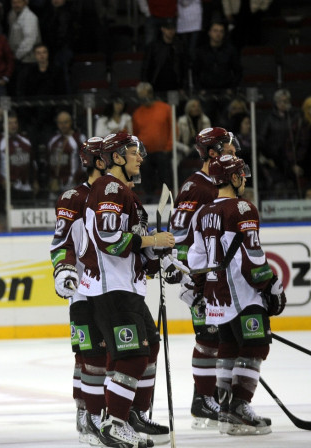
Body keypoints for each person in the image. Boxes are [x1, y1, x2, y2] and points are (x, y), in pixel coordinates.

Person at [78, 132, 174, 447]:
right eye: (135, 152)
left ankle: (131, 414)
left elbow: (129, 244)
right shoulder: (109, 187)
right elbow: (108, 241)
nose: (141, 157)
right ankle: (114, 422)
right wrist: (151, 241)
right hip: (112, 288)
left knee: (148, 346)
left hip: (125, 287)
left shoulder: (124, 191)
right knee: (132, 355)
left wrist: (155, 255)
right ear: (117, 157)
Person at [187, 154, 286, 436]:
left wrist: (201, 290)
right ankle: (240, 406)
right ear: (233, 178)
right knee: (255, 346)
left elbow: (196, 260)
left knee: (229, 347)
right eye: (241, 174)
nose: (244, 179)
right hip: (242, 294)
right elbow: (253, 258)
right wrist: (271, 287)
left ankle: (226, 410)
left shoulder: (203, 213)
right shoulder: (243, 207)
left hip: (217, 298)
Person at [164, 127, 239, 430]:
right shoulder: (196, 187)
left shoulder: (221, 183)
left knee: (222, 338)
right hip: (199, 280)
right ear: (213, 152)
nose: (234, 153)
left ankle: (209, 399)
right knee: (209, 338)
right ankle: (203, 400)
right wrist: (181, 271)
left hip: (215, 278)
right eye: (228, 149)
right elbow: (178, 233)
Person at [48, 137, 107, 446]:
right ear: (98, 160)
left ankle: (101, 408)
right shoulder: (74, 197)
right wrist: (64, 268)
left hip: (113, 290)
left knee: (111, 353)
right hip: (84, 290)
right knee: (87, 354)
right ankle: (85, 409)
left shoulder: (121, 194)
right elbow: (60, 243)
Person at [0, 111, 38, 207]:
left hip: (26, 188)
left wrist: (35, 180)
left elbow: (33, 163)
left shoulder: (26, 141)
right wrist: (2, 181)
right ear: (3, 125)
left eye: (15, 122)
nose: (13, 125)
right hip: (8, 190)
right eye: (10, 123)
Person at [258, 89, 303, 197]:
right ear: (276, 103)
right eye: (281, 101)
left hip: (291, 158)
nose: (283, 104)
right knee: (277, 185)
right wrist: (268, 156)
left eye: (286, 101)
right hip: (275, 159)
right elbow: (262, 139)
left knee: (292, 186)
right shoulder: (270, 119)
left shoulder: (295, 117)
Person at [132, 82, 173, 197]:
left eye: (144, 96)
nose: (143, 99)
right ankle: (149, 200)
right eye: (140, 97)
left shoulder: (165, 108)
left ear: (151, 94)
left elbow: (173, 129)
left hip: (163, 151)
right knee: (146, 176)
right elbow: (135, 135)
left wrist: (168, 147)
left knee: (165, 177)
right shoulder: (137, 113)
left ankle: (167, 199)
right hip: (145, 153)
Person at [16, 43, 66, 135]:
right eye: (38, 53)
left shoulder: (56, 71)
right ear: (35, 55)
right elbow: (22, 92)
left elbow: (62, 91)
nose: (41, 55)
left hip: (52, 114)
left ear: (48, 54)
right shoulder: (28, 72)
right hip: (32, 115)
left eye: (44, 52)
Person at [43, 110, 85, 197]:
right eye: (60, 123)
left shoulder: (79, 138)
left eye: (66, 122)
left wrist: (77, 178)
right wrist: (51, 179)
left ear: (71, 122)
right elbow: (48, 161)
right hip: (56, 184)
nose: (63, 125)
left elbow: (85, 160)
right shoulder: (53, 140)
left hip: (73, 184)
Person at [141, 18, 188, 94]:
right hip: (157, 86)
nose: (171, 31)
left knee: (173, 105)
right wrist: (146, 85)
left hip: (175, 86)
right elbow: (146, 67)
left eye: (173, 28)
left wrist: (183, 86)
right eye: (168, 28)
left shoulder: (179, 46)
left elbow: (184, 68)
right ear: (162, 29)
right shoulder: (153, 46)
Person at [7, 0, 41, 76]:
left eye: (19, 2)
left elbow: (29, 40)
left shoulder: (30, 17)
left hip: (28, 60)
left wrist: (17, 55)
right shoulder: (12, 14)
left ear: (25, 3)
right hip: (18, 58)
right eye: (13, 3)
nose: (16, 5)